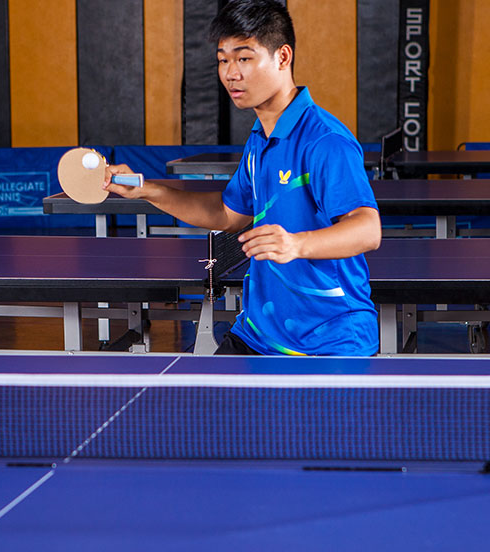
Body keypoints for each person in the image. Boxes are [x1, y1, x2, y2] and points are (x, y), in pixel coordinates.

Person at [105, 0, 381, 356]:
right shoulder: (260, 140)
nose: (230, 73)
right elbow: (226, 214)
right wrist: (145, 189)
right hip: (257, 335)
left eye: (244, 58)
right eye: (223, 60)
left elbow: (368, 228)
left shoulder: (324, 140)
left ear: (283, 57)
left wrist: (296, 244)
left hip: (330, 341)